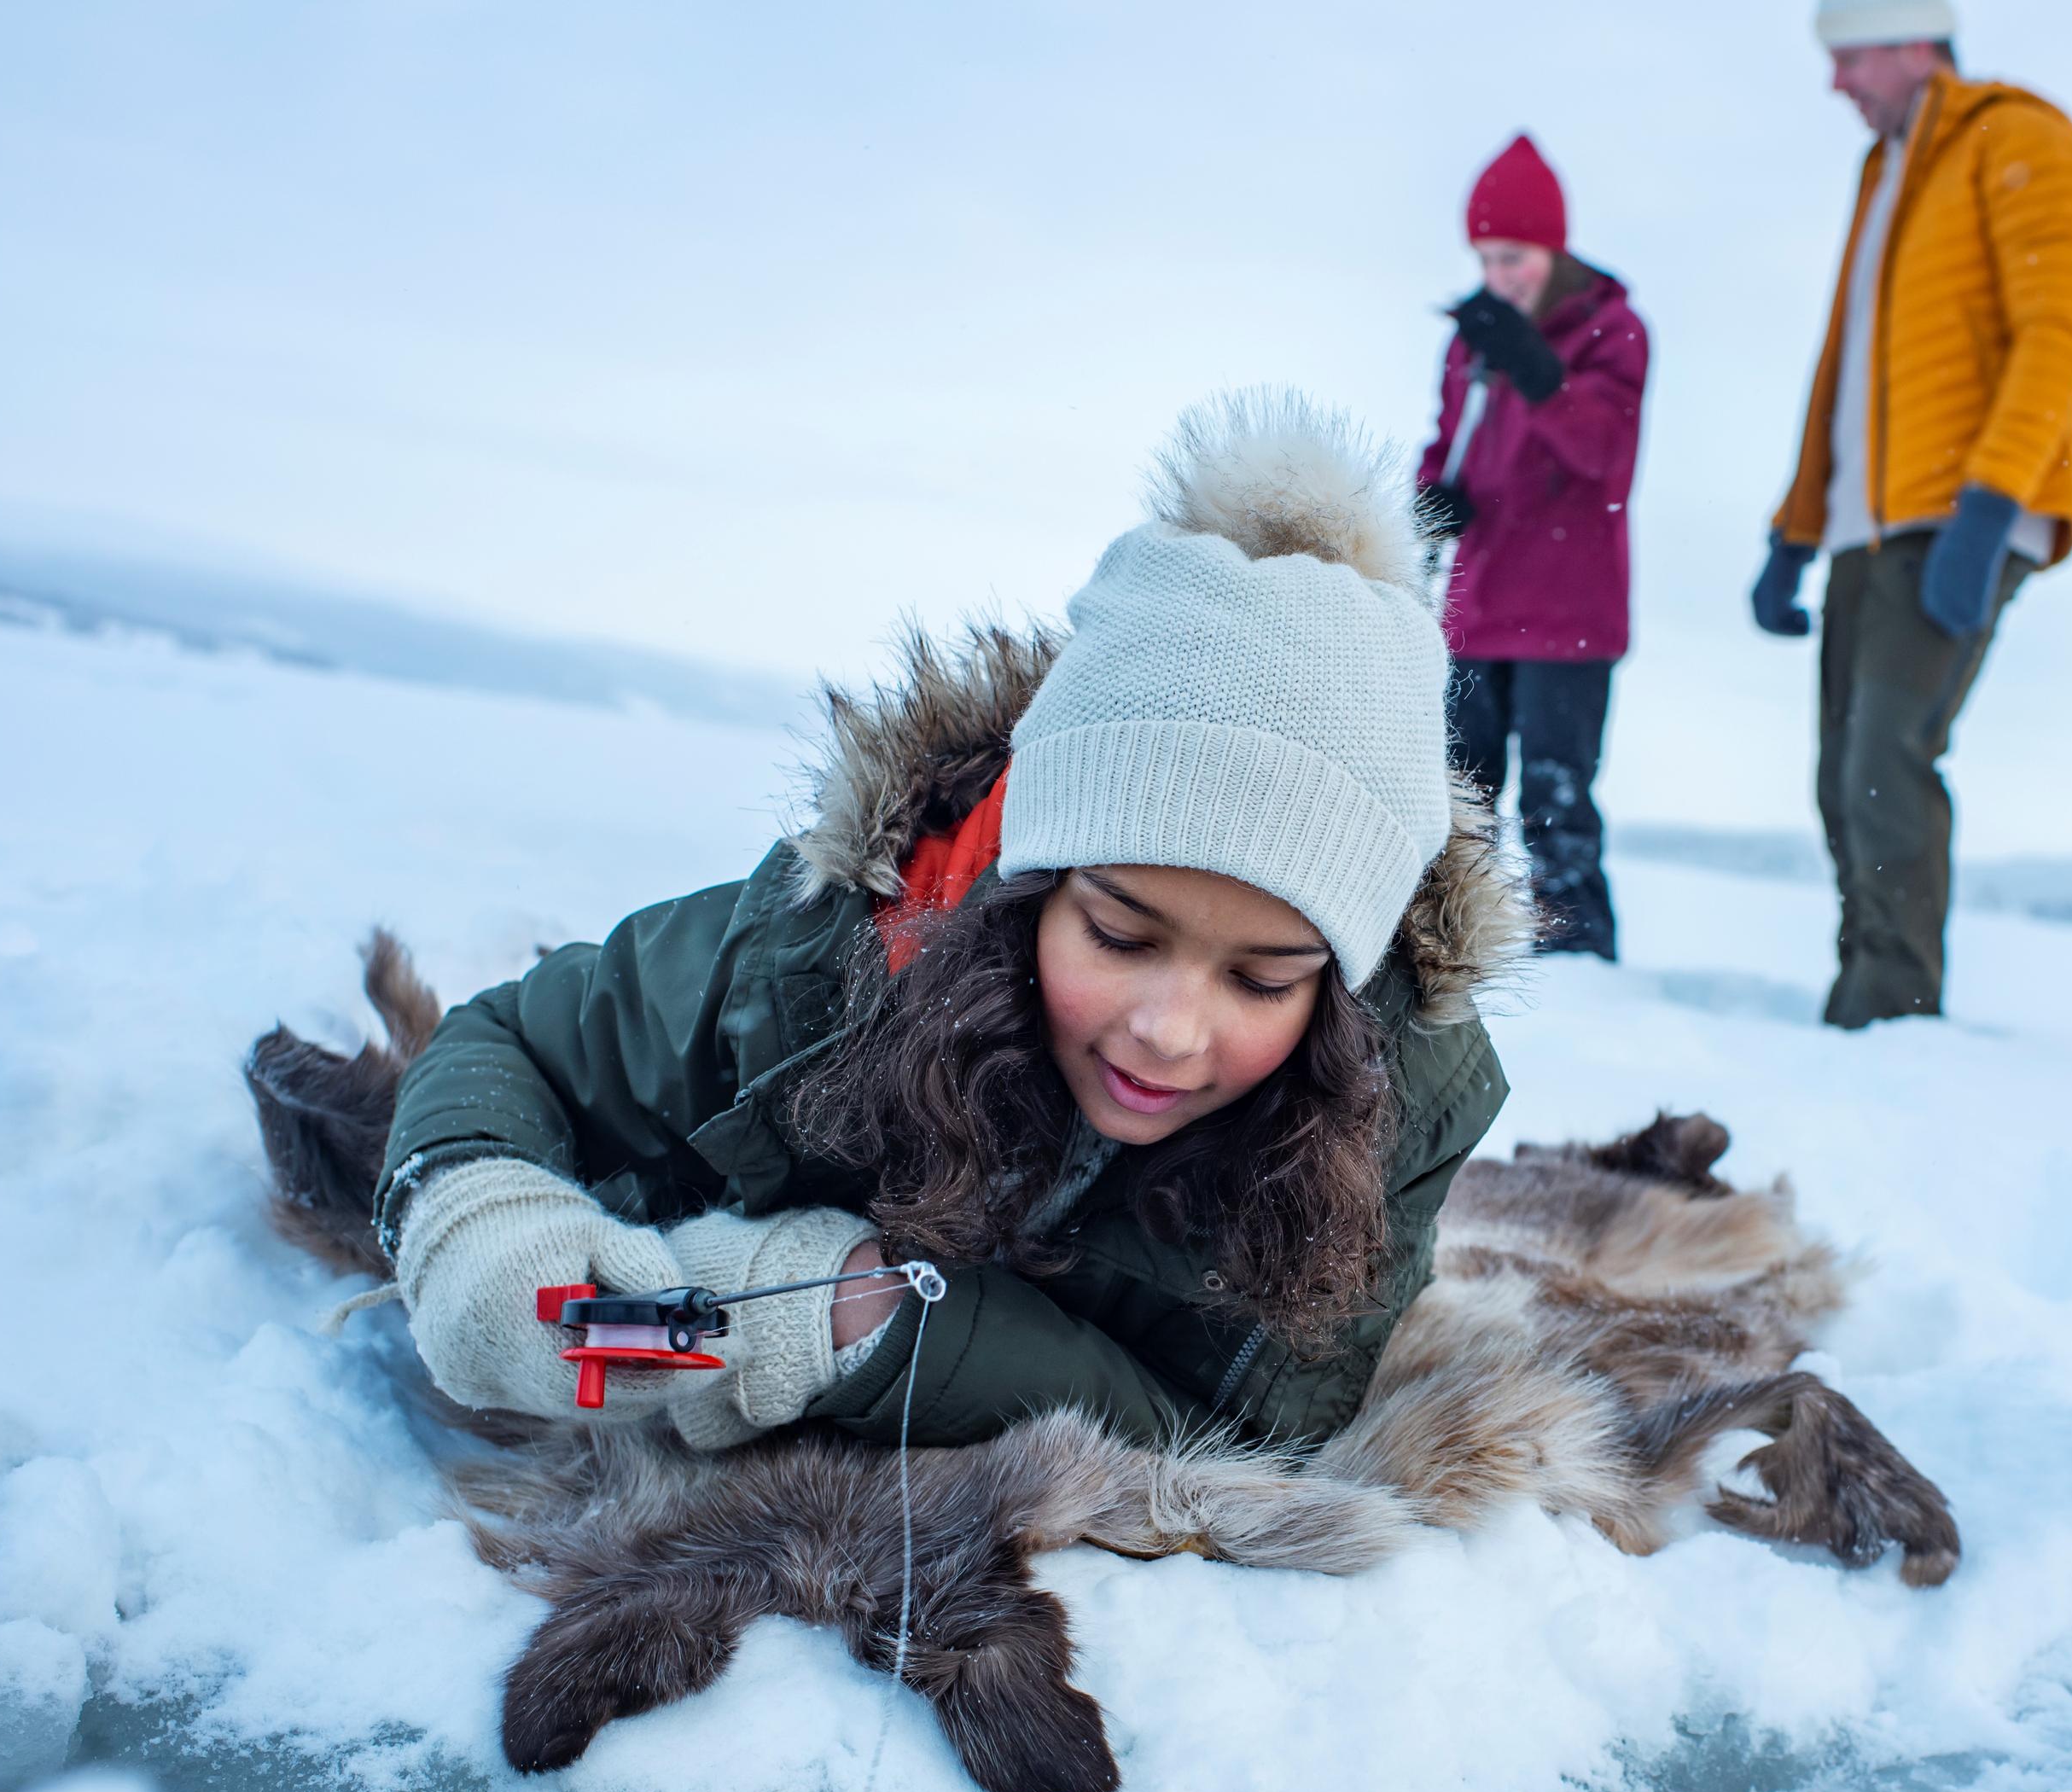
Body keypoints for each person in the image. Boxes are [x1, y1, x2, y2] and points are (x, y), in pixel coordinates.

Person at [370, 392, 1528, 1455]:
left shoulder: (1404, 1093)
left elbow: (1249, 1430)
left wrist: (857, 1311)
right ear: (1024, 882)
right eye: (1121, 935)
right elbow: (515, 1043)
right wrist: (476, 1213)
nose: (1170, 1030)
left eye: (1263, 980)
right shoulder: (840, 947)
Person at [1749, 3, 2072, 1027]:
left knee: (1884, 761)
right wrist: (1796, 530)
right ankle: (1864, 993)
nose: (1837, 84)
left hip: (1959, 515)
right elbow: (1841, 369)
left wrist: (1988, 510)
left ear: (1913, 38)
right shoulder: (1886, 170)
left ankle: (1890, 1013)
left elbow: (2054, 335)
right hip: (1872, 520)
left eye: (1849, 56)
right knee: (1838, 773)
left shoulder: (2018, 134)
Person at [1417, 133, 1650, 960]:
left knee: (1555, 799)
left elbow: (1603, 454)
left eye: (1512, 256)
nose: (1498, 276)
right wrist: (1431, 500)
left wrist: (1537, 369)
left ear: (1551, 249)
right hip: (1478, 606)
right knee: (1458, 801)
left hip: (1569, 612)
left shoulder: (1612, 331)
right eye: (1484, 258)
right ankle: (1445, 953)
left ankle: (1579, 964)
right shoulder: (1472, 342)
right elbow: (1449, 444)